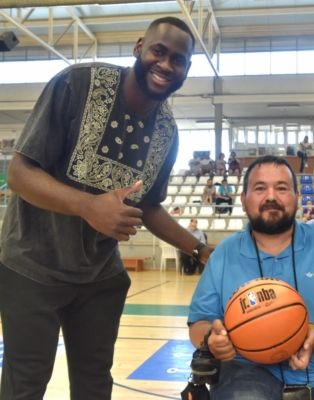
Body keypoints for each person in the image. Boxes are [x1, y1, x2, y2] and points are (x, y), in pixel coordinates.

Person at [0, 17, 215, 400]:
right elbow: (19, 173)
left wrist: (199, 250)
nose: (166, 65)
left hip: (99, 276)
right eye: (158, 51)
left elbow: (148, 206)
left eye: (178, 60)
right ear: (139, 48)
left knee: (95, 383)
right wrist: (87, 205)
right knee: (25, 383)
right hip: (32, 265)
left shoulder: (167, 132)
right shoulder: (76, 84)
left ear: (187, 70)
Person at [188, 155, 314, 400]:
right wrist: (212, 339)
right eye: (259, 188)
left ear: (297, 199)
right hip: (248, 369)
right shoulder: (224, 252)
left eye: (281, 188)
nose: (271, 197)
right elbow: (199, 324)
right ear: (243, 201)